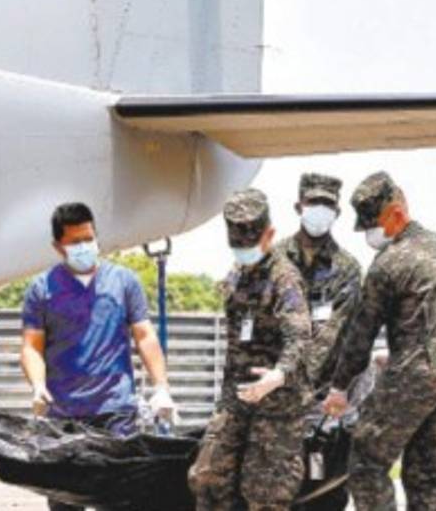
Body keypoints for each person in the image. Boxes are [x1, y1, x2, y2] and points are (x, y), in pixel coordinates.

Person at [322, 172, 436, 510]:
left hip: (417, 372)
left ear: (397, 213)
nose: (370, 235)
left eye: (373, 225)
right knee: (426, 474)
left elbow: (361, 332)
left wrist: (340, 387)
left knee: (366, 461)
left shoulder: (388, 263)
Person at [19, 202, 177, 511]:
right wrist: (37, 385)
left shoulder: (124, 282)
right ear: (58, 246)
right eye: (75, 242)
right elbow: (31, 347)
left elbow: (144, 336)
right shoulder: (42, 289)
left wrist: (162, 387)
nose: (85, 247)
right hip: (63, 415)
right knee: (65, 501)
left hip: (115, 411)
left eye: (89, 238)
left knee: (121, 499)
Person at [188, 188, 311, 511]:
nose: (243, 252)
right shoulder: (237, 275)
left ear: (269, 234)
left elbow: (300, 337)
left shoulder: (285, 279)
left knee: (265, 492)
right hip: (237, 396)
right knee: (207, 478)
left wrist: (278, 374)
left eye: (249, 245)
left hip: (276, 403)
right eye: (237, 246)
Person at [272, 173, 363, 392]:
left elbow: (332, 334)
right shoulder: (273, 259)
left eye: (328, 204)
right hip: (271, 383)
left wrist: (294, 380)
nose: (320, 209)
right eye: (313, 202)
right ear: (298, 207)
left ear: (337, 213)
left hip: (319, 389)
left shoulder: (347, 268)